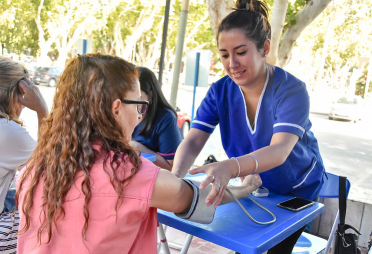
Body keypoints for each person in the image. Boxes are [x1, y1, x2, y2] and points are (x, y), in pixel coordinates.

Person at [15, 54, 262, 254]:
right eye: (138, 105)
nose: (141, 114)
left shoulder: (33, 168)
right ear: (116, 109)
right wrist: (246, 188)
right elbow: (201, 198)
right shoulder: (128, 174)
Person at [171, 0, 326, 253]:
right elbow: (193, 140)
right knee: (243, 245)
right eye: (224, 55)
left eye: (241, 52)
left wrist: (231, 166)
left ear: (264, 48)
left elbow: (279, 151)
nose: (232, 63)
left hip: (297, 190)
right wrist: (176, 178)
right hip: (253, 185)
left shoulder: (291, 90)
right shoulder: (219, 91)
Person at [0, 55, 48, 253]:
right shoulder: (4, 130)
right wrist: (41, 109)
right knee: (47, 213)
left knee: (13, 196)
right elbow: (50, 163)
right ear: (17, 94)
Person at [130, 67, 182, 170]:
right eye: (128, 97)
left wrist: (137, 147)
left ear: (150, 95)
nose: (131, 103)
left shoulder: (165, 118)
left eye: (138, 98)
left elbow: (171, 167)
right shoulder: (120, 112)